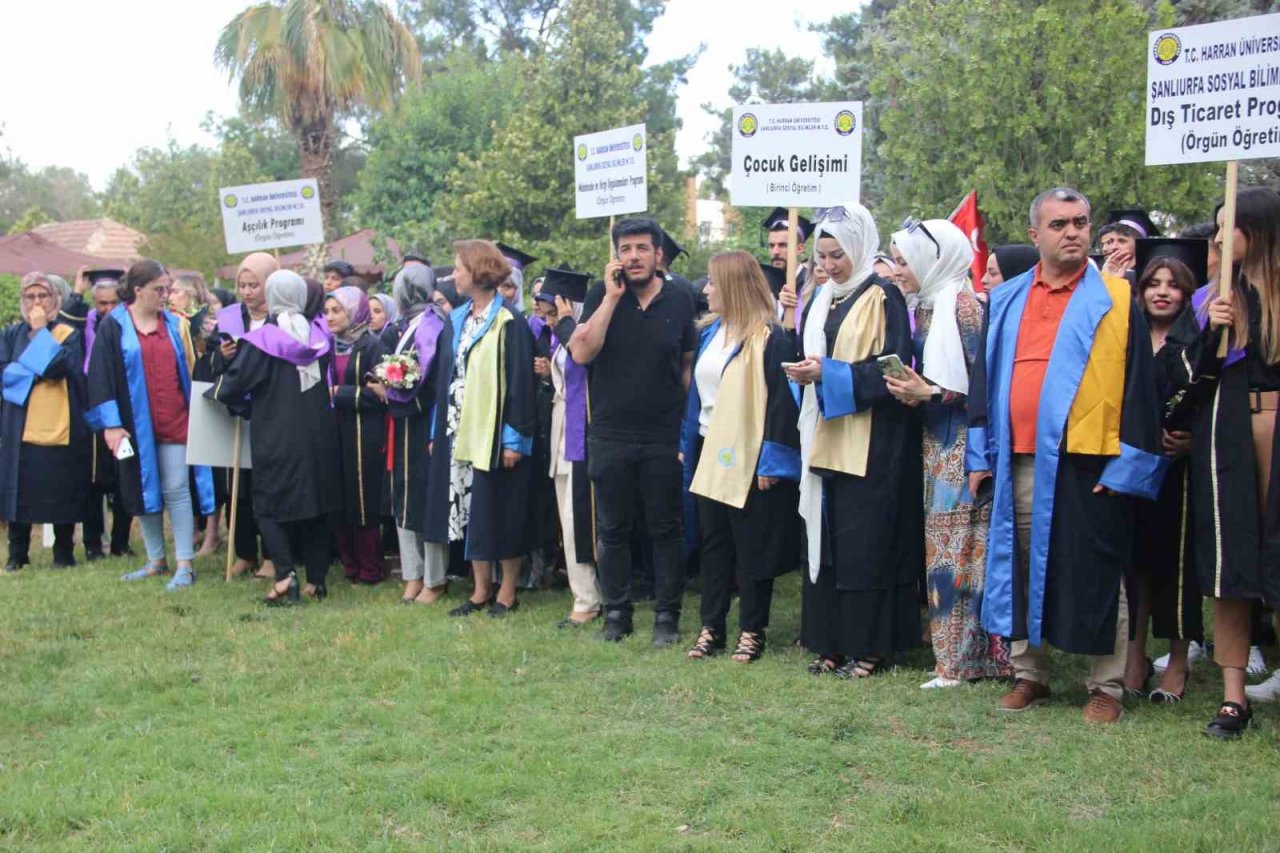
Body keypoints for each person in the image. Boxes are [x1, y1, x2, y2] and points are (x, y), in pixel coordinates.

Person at [967, 187, 1165, 724]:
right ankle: (1030, 675)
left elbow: (1140, 390)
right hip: (1020, 460)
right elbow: (983, 383)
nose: (1072, 232)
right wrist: (979, 454)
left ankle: (1108, 685)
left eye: (1080, 222)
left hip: (1090, 460)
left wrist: (1128, 466)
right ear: (1035, 235)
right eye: (1059, 224)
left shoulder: (1117, 299)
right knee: (1021, 566)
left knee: (1100, 570)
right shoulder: (1006, 299)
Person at [783, 203, 922, 679]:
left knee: (867, 546)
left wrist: (830, 372)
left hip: (873, 441)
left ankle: (870, 647)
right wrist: (807, 372)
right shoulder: (826, 298)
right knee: (830, 542)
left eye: (837, 254)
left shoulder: (885, 296)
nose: (828, 265)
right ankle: (832, 643)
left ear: (860, 247)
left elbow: (893, 367)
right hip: (826, 434)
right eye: (821, 256)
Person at [886, 218, 1012, 688]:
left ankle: (960, 663)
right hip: (935, 445)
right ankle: (959, 658)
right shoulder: (927, 308)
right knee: (947, 552)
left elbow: (984, 388)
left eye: (904, 261)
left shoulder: (963, 308)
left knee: (961, 553)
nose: (898, 271)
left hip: (964, 447)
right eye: (896, 262)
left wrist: (930, 394)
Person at [1173, 187, 1280, 736]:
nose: (1217, 237)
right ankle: (1234, 695)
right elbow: (1186, 380)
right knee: (1230, 558)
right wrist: (1211, 330)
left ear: (1257, 231)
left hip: (1273, 425)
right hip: (1229, 434)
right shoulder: (1215, 299)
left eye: (1228, 225)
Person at [568, 217, 698, 645]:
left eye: (642, 248)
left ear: (658, 254)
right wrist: (609, 299)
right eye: (625, 249)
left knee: (665, 530)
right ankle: (617, 614)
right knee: (613, 531)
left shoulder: (680, 299)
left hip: (662, 435)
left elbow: (686, 365)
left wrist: (689, 427)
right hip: (609, 435)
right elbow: (582, 352)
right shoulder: (599, 296)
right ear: (616, 256)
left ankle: (667, 617)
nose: (634, 257)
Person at [680, 250, 801, 662]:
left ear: (733, 286)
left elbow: (783, 404)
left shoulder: (771, 336)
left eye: (713, 282)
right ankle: (711, 626)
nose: (707, 290)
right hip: (707, 448)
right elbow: (697, 396)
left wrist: (773, 459)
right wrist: (686, 445)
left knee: (752, 545)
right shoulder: (710, 333)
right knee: (713, 543)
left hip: (748, 454)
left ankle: (752, 629)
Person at [208, 270, 341, 604]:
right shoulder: (318, 335)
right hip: (318, 434)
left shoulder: (264, 340)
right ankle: (317, 580)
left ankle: (284, 577)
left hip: (278, 435)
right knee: (314, 504)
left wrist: (225, 396)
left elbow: (234, 386)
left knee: (267, 505)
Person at [424, 239, 536, 618]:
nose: (452, 274)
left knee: (500, 506)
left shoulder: (510, 322)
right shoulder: (456, 318)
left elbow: (521, 383)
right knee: (467, 506)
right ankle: (479, 589)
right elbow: (445, 378)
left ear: (478, 271)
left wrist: (514, 439)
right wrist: (437, 431)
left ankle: (507, 591)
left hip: (493, 431)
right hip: (458, 429)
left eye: (458, 267)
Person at [86, 260, 215, 589]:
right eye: (159, 289)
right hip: (133, 426)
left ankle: (184, 562)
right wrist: (111, 425)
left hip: (174, 418)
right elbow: (100, 378)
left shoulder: (173, 324)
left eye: (167, 289)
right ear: (138, 290)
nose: (165, 295)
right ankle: (156, 560)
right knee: (143, 490)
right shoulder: (113, 327)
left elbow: (188, 366)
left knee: (176, 489)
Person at [1122, 240, 1207, 704]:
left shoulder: (1201, 342)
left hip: (1180, 472)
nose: (1161, 292)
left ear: (1188, 294)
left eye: (1173, 285)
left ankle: (1178, 661)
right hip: (1133, 466)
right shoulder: (1129, 336)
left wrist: (1194, 440)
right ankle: (1134, 658)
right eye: (1152, 283)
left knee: (1174, 567)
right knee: (1134, 564)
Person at [0, 272, 90, 570]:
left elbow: (57, 367)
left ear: (56, 299)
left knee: (60, 488)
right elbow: (7, 376)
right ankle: (17, 554)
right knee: (20, 490)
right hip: (21, 425)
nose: (37, 302)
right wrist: (30, 370)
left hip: (60, 423)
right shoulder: (10, 334)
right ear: (22, 301)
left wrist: (40, 335)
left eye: (43, 296)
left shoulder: (68, 333)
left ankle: (63, 553)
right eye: (30, 296)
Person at [373, 264, 449, 605]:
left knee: (426, 498)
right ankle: (412, 573)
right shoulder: (401, 325)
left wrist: (400, 389)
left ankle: (434, 578)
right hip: (402, 423)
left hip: (426, 422)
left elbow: (434, 378)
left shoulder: (434, 324)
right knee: (403, 496)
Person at [538, 269, 603, 626]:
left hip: (583, 427)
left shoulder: (583, 333)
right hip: (562, 424)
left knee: (577, 513)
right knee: (566, 511)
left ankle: (588, 599)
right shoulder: (556, 336)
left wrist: (563, 325)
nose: (549, 319)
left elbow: (582, 362)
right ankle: (585, 592)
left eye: (554, 311)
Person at [213, 252, 279, 579]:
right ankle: (243, 551)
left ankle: (271, 554)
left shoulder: (280, 317)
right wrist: (221, 358)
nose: (248, 291)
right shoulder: (229, 318)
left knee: (265, 485)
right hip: (237, 414)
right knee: (236, 485)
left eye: (255, 284)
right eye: (243, 284)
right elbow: (210, 366)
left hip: (270, 412)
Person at [325, 286, 388, 585]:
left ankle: (370, 566)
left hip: (362, 433)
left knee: (362, 497)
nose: (330, 317)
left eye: (337, 311)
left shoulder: (371, 346)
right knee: (338, 496)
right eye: (327, 311)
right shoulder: (328, 346)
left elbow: (379, 394)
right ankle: (348, 563)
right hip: (333, 431)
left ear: (354, 311)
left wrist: (340, 394)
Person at [80, 277, 134, 561]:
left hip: (124, 412)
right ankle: (92, 543)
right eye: (102, 303)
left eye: (114, 302)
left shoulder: (128, 325)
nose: (109, 308)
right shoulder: (84, 327)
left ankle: (121, 542)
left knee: (125, 478)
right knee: (93, 482)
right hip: (92, 416)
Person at [1098, 209, 1160, 281]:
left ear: (1139, 245)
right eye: (1110, 242)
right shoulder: (1096, 274)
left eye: (1122, 241)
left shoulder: (1149, 278)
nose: (1114, 247)